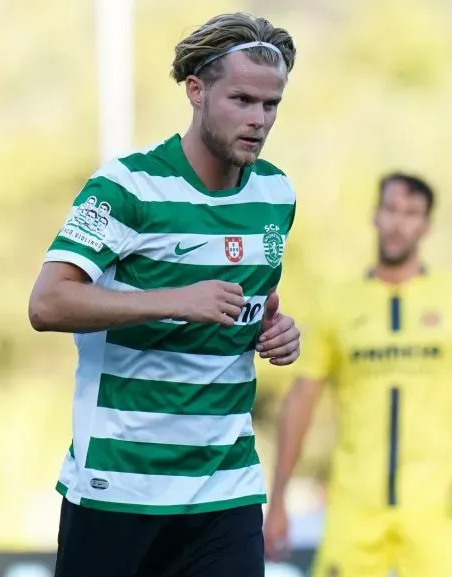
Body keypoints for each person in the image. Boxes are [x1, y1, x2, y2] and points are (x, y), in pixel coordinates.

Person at [28, 12, 301, 577]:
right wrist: (175, 300)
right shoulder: (128, 186)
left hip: (226, 488)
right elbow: (48, 303)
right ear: (196, 91)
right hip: (119, 485)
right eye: (242, 100)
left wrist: (276, 331)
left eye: (270, 105)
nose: (258, 120)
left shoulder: (276, 192)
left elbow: (249, 308)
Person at [264, 173, 452, 576]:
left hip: (435, 507)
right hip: (354, 507)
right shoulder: (337, 299)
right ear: (375, 216)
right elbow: (302, 400)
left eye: (411, 214)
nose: (398, 223)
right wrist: (280, 496)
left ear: (427, 226)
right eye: (390, 209)